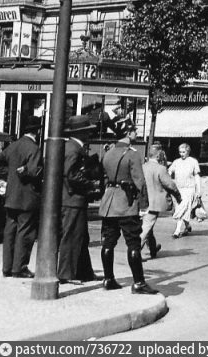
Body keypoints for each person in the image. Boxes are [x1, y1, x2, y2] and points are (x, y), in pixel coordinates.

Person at [98, 119, 157, 294]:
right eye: (134, 131)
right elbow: (139, 181)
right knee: (133, 243)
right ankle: (138, 283)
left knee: (108, 241)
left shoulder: (108, 153)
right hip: (126, 203)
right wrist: (144, 204)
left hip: (109, 203)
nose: (136, 134)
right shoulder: (132, 154)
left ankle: (108, 279)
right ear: (128, 133)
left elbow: (104, 177)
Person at [58, 115, 101, 284]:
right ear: (81, 133)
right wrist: (91, 184)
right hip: (72, 199)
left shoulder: (70, 147)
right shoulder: (74, 149)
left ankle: (84, 272)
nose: (90, 134)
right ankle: (65, 274)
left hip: (72, 199)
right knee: (72, 236)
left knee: (81, 236)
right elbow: (72, 175)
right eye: (87, 131)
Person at [2, 116, 43, 278]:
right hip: (27, 197)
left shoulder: (13, 146)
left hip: (11, 195)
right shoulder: (34, 148)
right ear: (37, 131)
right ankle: (19, 267)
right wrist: (26, 170)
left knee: (10, 231)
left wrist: (7, 175)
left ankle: (7, 267)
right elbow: (34, 171)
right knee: (25, 232)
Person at [141, 145, 180, 259]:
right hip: (154, 203)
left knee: (148, 226)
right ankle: (136, 252)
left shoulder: (142, 167)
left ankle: (153, 248)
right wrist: (178, 196)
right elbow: (170, 185)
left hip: (141, 201)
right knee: (146, 227)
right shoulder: (160, 169)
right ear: (158, 155)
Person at [168, 143, 201, 239]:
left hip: (189, 189)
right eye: (180, 152)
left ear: (188, 151)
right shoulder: (176, 162)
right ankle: (187, 226)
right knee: (182, 209)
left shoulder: (193, 161)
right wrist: (168, 176)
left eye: (183, 152)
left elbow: (197, 176)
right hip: (178, 189)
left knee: (183, 207)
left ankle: (177, 231)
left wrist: (199, 190)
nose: (181, 154)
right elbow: (170, 171)